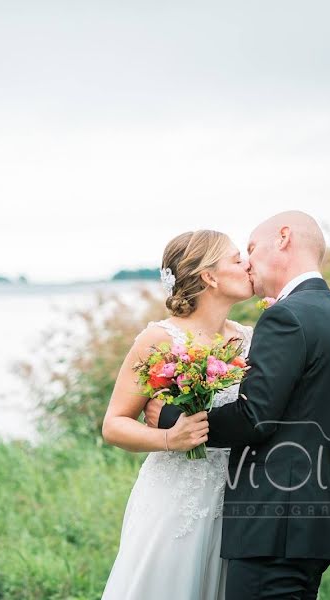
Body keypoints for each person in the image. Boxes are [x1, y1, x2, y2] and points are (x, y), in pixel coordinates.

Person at [145, 211, 330, 600]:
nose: (247, 261)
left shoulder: (288, 316)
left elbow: (254, 418)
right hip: (308, 521)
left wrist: (171, 418)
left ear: (283, 238)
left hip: (274, 527)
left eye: (251, 248)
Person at [101, 229, 255, 600]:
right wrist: (169, 438)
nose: (248, 264)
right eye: (237, 259)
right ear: (210, 276)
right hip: (175, 499)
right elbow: (114, 424)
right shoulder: (160, 339)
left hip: (235, 499)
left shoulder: (250, 338)